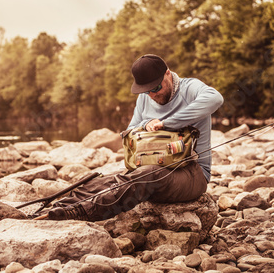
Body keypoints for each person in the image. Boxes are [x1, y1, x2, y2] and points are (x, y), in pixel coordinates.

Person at [41, 54, 224, 221]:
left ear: (168, 74)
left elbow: (215, 98)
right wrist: (145, 125)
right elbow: (130, 132)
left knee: (146, 176)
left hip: (192, 174)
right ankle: (60, 207)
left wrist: (167, 123)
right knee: (107, 180)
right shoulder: (146, 97)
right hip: (149, 168)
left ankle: (81, 213)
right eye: (147, 91)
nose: (152, 95)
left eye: (157, 88)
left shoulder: (190, 88)